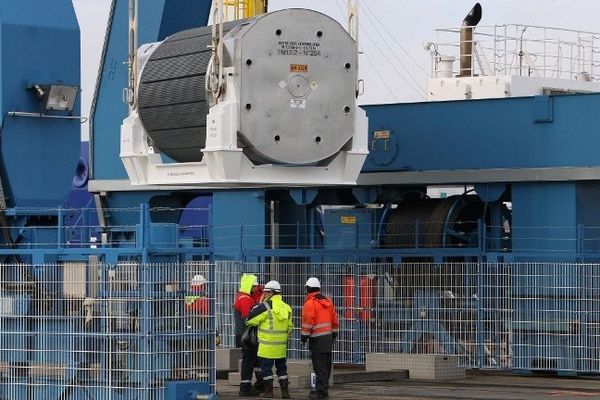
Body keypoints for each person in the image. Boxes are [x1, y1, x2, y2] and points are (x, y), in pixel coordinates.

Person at [246, 280, 293, 399]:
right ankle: (285, 392)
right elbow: (290, 327)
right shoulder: (287, 308)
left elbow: (249, 320)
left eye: (266, 292)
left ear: (271, 293)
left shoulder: (265, 306)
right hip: (281, 347)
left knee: (266, 370)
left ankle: (269, 392)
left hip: (266, 347)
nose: (264, 294)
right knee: (282, 369)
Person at [301, 277, 339, 400]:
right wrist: (334, 334)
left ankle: (321, 392)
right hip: (328, 339)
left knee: (319, 367)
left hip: (317, 340)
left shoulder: (310, 303)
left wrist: (304, 336)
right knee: (326, 367)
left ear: (308, 288)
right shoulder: (328, 302)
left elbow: (308, 321)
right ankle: (322, 390)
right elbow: (335, 321)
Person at [233, 273, 264, 396]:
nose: (257, 288)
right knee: (249, 360)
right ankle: (245, 387)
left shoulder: (244, 297)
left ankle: (257, 383)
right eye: (255, 286)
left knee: (254, 360)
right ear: (249, 286)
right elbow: (249, 319)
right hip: (247, 336)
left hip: (245, 335)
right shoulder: (245, 300)